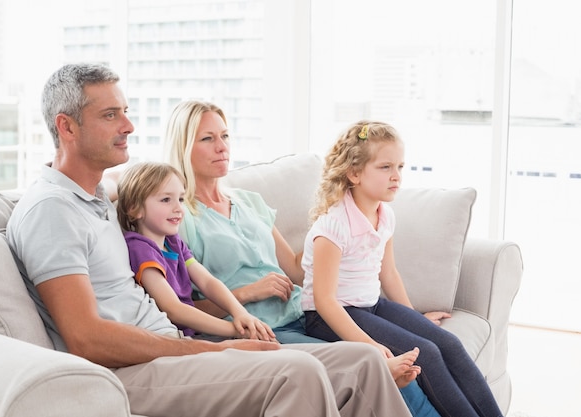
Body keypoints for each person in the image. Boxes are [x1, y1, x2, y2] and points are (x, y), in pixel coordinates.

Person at [6, 62, 415, 417]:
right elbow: (86, 338)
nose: (128, 126)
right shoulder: (51, 211)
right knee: (297, 370)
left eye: (126, 112)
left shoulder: (93, 195)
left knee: (364, 360)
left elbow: (135, 186)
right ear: (66, 126)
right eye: (111, 115)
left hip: (168, 344)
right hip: (128, 370)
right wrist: (220, 350)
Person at [165, 99, 441, 417]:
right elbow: (179, 311)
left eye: (225, 136)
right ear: (184, 146)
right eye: (208, 139)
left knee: (406, 358)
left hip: (303, 315)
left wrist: (337, 230)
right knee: (377, 367)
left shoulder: (249, 201)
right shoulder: (178, 216)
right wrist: (248, 293)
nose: (222, 147)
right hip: (259, 330)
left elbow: (298, 269)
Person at [300, 120, 504, 417]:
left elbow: (388, 274)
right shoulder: (333, 225)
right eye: (385, 167)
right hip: (327, 316)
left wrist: (413, 318)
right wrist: (370, 346)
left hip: (370, 304)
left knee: (450, 343)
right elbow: (324, 301)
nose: (396, 177)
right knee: (428, 354)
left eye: (400, 167)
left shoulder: (386, 215)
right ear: (354, 173)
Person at [116, 160, 275, 341]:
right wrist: (234, 330)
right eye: (166, 200)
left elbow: (207, 282)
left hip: (193, 334)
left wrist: (240, 313)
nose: (178, 208)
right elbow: (174, 310)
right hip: (172, 339)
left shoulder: (173, 242)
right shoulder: (140, 250)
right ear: (134, 208)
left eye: (181, 199)